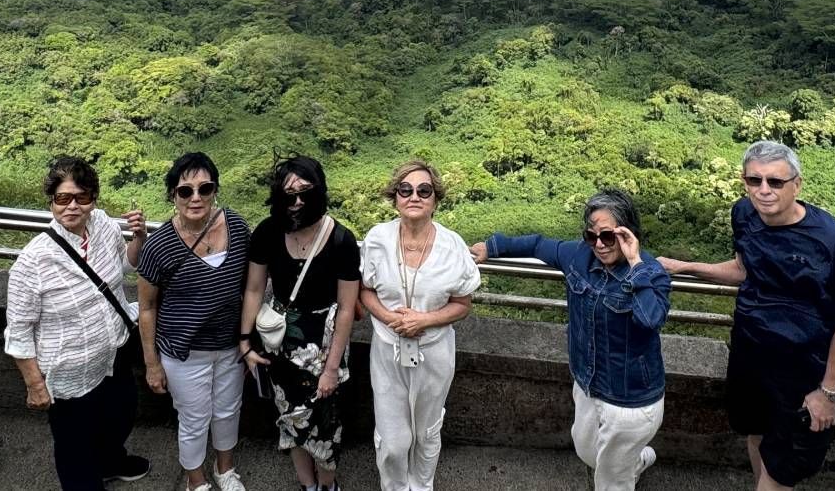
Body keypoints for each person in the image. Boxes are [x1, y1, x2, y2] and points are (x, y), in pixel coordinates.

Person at [658, 140, 835, 491]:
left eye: (775, 182)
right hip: (750, 355)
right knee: (755, 435)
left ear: (797, 184)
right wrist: (686, 267)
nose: (764, 190)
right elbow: (744, 268)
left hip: (801, 371)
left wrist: (828, 392)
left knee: (782, 469)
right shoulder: (743, 214)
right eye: (754, 181)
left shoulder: (828, 238)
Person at [471, 188, 670, 491]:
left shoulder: (651, 272)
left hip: (630, 398)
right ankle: (635, 461)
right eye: (592, 236)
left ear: (629, 233)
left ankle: (624, 468)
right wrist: (491, 246)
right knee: (586, 448)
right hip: (589, 383)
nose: (599, 245)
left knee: (610, 481)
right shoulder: (579, 256)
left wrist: (635, 265)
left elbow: (650, 318)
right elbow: (538, 245)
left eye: (609, 236)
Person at [6, 155, 153, 488]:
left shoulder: (103, 224)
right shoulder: (33, 261)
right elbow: (18, 332)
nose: (72, 206)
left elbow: (123, 265)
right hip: (69, 372)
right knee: (75, 449)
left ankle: (110, 462)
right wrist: (34, 384)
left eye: (81, 197)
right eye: (62, 198)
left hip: (114, 351)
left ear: (93, 200)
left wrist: (139, 238)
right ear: (51, 201)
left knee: (121, 415)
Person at [358, 159, 480, 491]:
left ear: (435, 199)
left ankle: (422, 485)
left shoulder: (452, 245)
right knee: (394, 437)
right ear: (395, 197)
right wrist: (389, 318)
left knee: (427, 429)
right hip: (387, 350)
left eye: (424, 191)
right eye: (405, 190)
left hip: (434, 351)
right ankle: (395, 486)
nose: (414, 196)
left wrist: (424, 319)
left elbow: (462, 304)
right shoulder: (377, 239)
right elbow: (365, 290)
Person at [240, 156, 360, 491]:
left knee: (326, 426)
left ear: (319, 192)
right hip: (278, 343)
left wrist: (332, 368)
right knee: (288, 422)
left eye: (304, 194)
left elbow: (347, 309)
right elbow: (253, 288)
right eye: (288, 195)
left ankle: (328, 484)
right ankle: (307, 486)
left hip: (324, 347)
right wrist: (245, 342)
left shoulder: (341, 241)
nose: (296, 203)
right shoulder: (267, 232)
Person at [136, 152, 252, 491]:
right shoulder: (159, 245)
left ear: (215, 190)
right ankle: (195, 480)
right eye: (185, 191)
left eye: (205, 188)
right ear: (173, 195)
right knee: (194, 419)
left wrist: (248, 340)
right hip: (183, 351)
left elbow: (250, 287)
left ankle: (225, 470)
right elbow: (146, 306)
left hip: (230, 345)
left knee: (229, 410)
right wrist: (151, 364)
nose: (196, 197)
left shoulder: (236, 227)